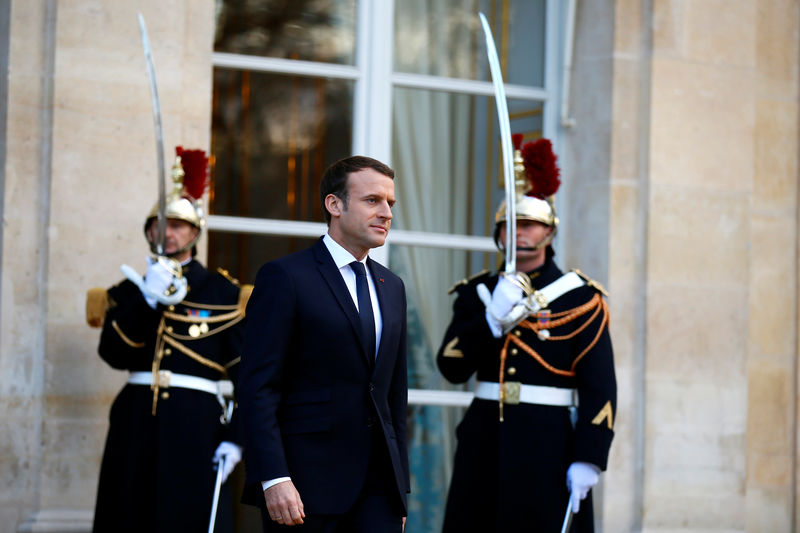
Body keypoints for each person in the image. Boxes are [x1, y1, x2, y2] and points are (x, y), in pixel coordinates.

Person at [436, 136, 617, 533]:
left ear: (549, 233)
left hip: (549, 442)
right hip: (484, 436)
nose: (519, 232)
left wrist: (590, 455)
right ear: (498, 233)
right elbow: (451, 367)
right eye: (510, 224)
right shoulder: (477, 292)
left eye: (531, 224)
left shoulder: (580, 297)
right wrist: (491, 320)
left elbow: (599, 386)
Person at [238, 156, 409, 532]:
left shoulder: (392, 287)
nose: (386, 213)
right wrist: (274, 477)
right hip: (304, 487)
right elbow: (257, 387)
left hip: (378, 492)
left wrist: (400, 490)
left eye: (390, 204)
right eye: (372, 200)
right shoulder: (285, 277)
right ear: (334, 205)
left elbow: (394, 395)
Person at [86, 147, 249, 533]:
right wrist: (147, 300)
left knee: (187, 517)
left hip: (196, 423)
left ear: (195, 232)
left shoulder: (223, 292)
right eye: (158, 225)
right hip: (135, 419)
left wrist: (239, 438)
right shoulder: (128, 291)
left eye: (177, 225)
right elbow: (112, 352)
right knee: (127, 514)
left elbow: (249, 374)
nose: (167, 233)